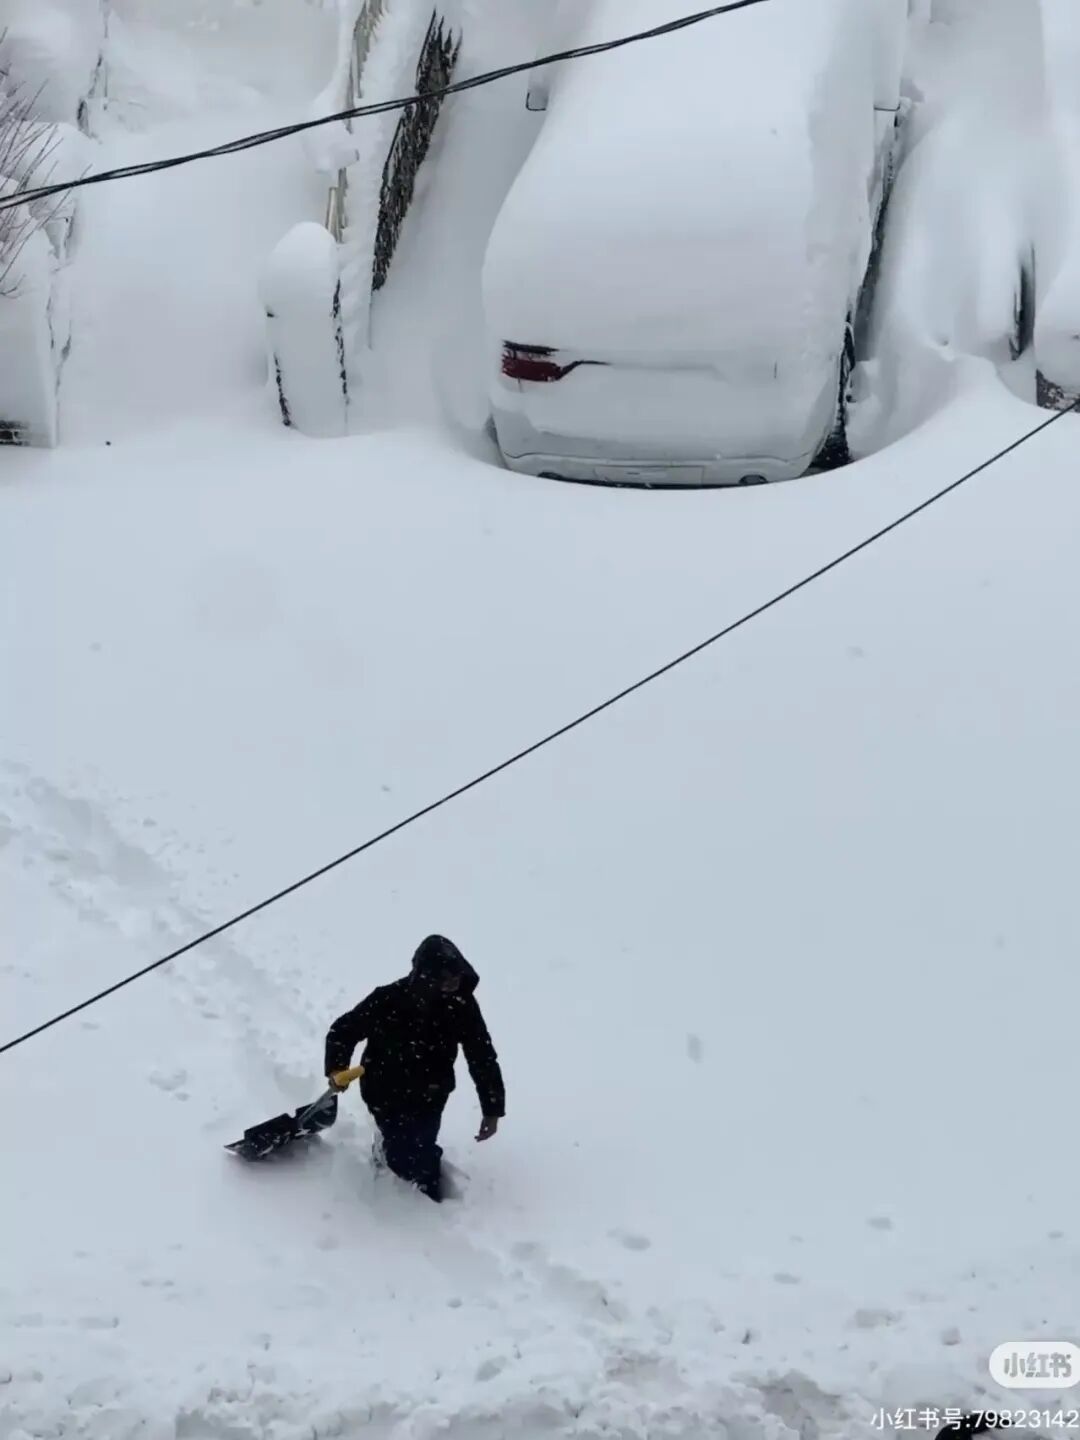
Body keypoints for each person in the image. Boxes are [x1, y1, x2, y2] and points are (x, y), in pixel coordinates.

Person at [323, 934, 505, 1202]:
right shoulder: (387, 1000)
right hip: (384, 1088)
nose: (453, 982)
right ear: (426, 975)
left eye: (456, 974)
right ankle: (389, 1162)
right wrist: (337, 1068)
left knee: (422, 1145)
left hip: (432, 1091)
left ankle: (428, 1192)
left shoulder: (462, 1005)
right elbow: (343, 1031)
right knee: (401, 1152)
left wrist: (492, 1109)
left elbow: (482, 1056)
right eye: (445, 977)